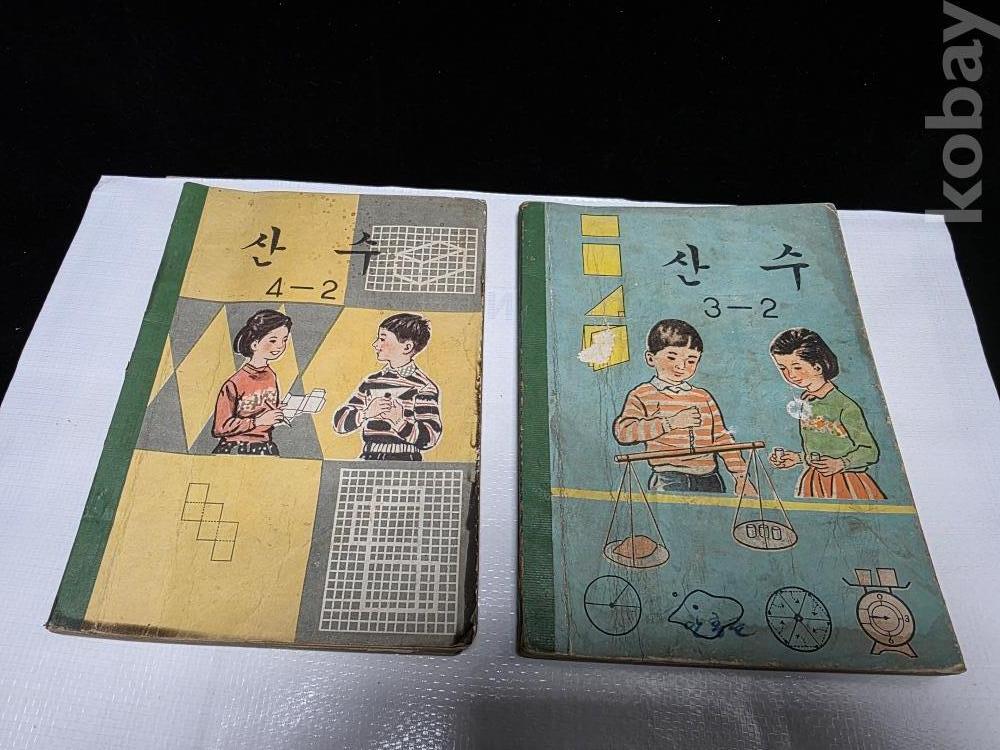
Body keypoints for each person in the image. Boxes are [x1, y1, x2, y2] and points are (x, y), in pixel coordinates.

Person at [613, 319, 754, 495]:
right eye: (671, 357)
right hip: (669, 478)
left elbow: (722, 438)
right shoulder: (642, 394)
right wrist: (670, 423)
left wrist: (741, 477)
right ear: (650, 358)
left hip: (709, 478)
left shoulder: (703, 397)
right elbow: (624, 432)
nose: (681, 366)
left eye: (691, 360)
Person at [768, 327, 886, 500]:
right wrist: (798, 458)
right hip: (814, 481)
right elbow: (822, 449)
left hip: (846, 482)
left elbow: (870, 451)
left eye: (797, 367)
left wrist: (841, 463)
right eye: (783, 368)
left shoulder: (845, 406)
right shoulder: (807, 402)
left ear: (817, 367)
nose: (790, 375)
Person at [332, 313, 442, 461]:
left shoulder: (424, 387)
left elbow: (430, 437)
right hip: (368, 457)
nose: (376, 344)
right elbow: (339, 423)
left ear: (407, 347)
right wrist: (366, 413)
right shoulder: (371, 382)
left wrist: (399, 422)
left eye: (382, 339)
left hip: (406, 460)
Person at [211, 309, 292, 456]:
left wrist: (278, 411)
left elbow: (261, 408)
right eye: (273, 340)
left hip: (265, 446)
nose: (280, 346)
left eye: (284, 340)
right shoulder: (235, 383)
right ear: (254, 345)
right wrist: (257, 421)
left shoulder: (271, 376)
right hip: (236, 447)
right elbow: (220, 427)